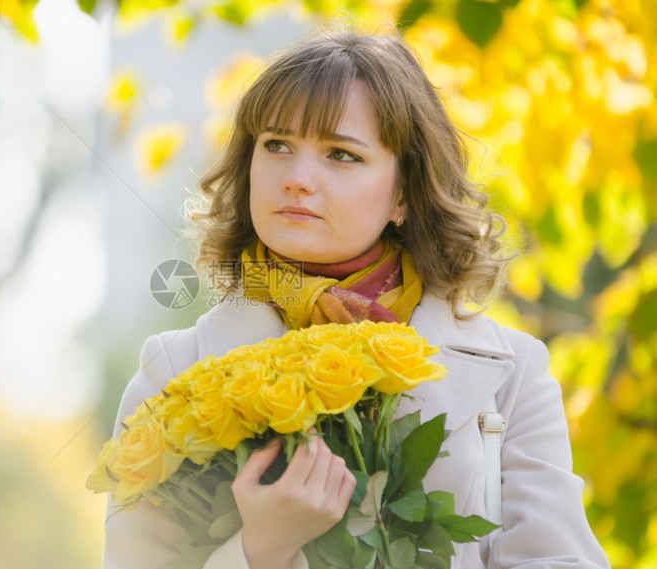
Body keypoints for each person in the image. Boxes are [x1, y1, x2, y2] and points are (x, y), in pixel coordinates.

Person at [101, 30, 610, 569]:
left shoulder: (514, 376)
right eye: (276, 145)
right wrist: (260, 550)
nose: (297, 179)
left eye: (341, 154)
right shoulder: (172, 373)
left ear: (404, 194)